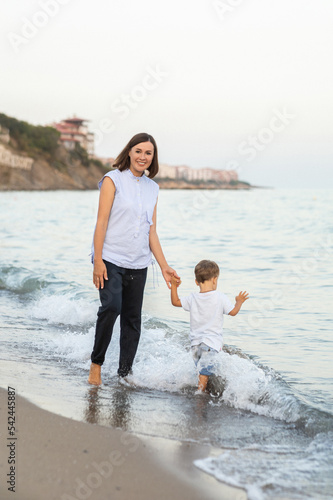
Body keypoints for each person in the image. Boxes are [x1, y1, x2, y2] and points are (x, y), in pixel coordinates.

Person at [88, 132, 179, 386]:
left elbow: (152, 231)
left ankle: (124, 374)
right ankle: (96, 364)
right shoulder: (112, 180)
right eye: (138, 151)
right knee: (111, 308)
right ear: (129, 151)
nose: (143, 156)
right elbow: (101, 221)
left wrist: (164, 266)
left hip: (139, 263)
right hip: (111, 259)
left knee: (132, 320)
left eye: (148, 153)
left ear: (153, 157)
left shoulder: (153, 189)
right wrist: (97, 260)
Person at [171, 260, 249, 393]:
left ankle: (204, 390)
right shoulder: (220, 297)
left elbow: (175, 302)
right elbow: (233, 312)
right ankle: (200, 395)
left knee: (201, 371)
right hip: (211, 344)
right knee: (205, 372)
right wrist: (239, 302)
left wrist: (174, 286)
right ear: (214, 279)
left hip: (195, 344)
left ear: (196, 282)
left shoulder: (192, 298)